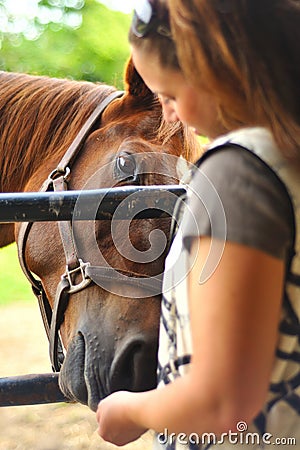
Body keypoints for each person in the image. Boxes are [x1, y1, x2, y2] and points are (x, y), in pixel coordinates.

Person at [96, 0, 300, 448]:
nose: (169, 115)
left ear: (218, 69)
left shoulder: (236, 172)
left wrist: (129, 409)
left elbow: (221, 402)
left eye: (169, 95)